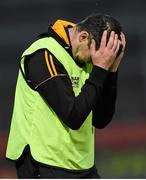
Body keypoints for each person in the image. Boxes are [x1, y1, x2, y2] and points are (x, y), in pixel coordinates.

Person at [6, 13, 126, 178]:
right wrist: (100, 69)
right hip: (43, 163)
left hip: (82, 164)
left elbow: (101, 119)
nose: (95, 62)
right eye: (94, 58)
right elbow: (72, 115)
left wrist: (112, 71)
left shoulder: (95, 57)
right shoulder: (44, 53)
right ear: (83, 37)